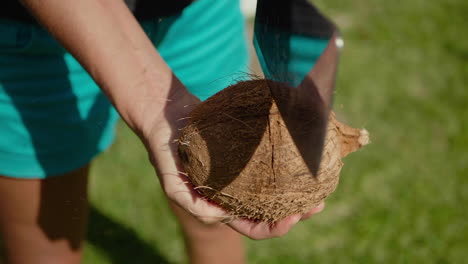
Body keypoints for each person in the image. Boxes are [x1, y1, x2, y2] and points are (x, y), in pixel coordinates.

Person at [0, 0, 325, 263]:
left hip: (194, 14)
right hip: (38, 33)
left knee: (217, 215)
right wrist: (156, 103)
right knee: (47, 245)